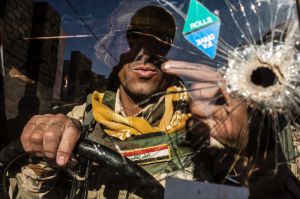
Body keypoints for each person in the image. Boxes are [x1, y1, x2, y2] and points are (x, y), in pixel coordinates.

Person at [8, 5, 247, 199]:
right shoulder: (79, 120)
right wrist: (43, 158)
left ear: (172, 52)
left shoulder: (208, 122)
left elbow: (257, 187)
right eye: (133, 39)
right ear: (111, 47)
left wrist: (253, 152)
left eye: (159, 41)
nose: (144, 53)